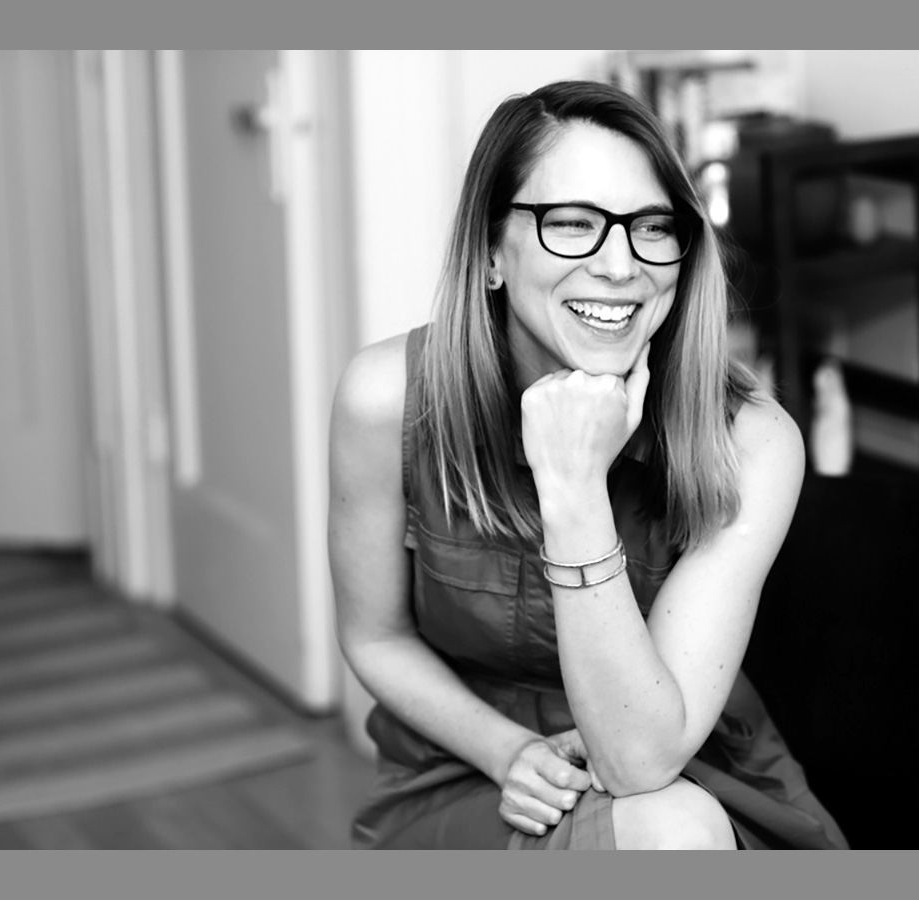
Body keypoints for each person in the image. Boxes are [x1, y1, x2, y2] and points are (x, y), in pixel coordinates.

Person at [328, 79, 848, 850]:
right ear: (492, 252)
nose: (619, 266)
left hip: (690, 768)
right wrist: (508, 752)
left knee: (673, 829)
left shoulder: (752, 441)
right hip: (466, 772)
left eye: (651, 227)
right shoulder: (386, 398)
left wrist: (573, 487)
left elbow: (639, 759)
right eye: (572, 224)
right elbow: (376, 637)